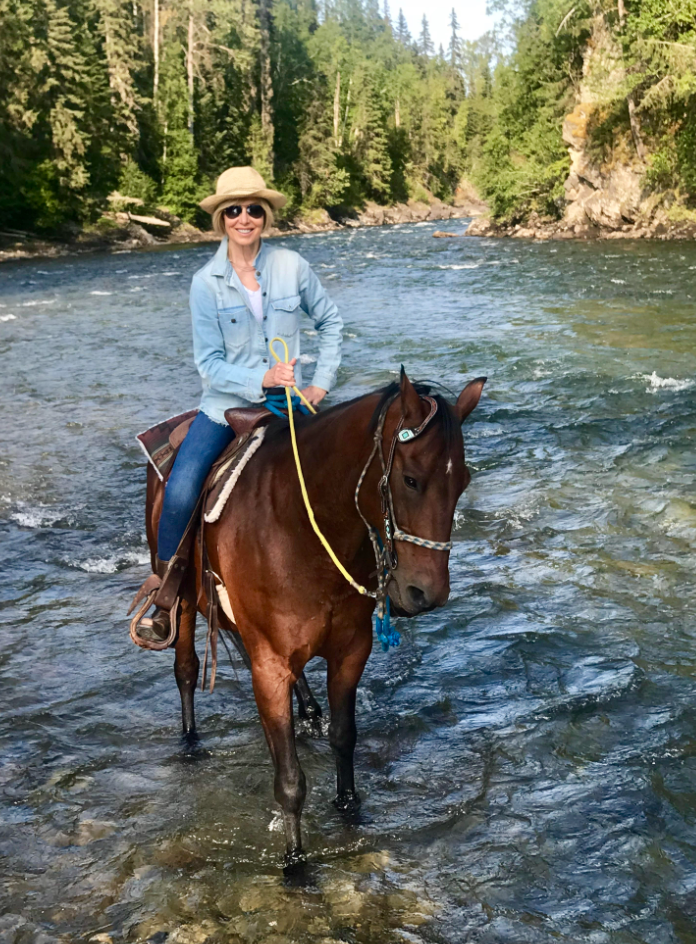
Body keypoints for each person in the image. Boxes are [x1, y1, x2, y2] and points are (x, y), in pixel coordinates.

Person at [135, 166, 342, 642]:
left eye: (253, 209)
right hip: (224, 409)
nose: (244, 217)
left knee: (352, 471)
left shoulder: (292, 266)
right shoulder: (204, 282)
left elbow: (330, 322)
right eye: (233, 210)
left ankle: (368, 585)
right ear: (221, 219)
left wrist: (321, 385)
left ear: (265, 216)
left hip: (289, 406)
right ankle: (165, 595)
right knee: (184, 487)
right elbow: (208, 363)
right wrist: (262, 377)